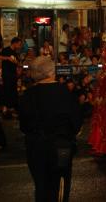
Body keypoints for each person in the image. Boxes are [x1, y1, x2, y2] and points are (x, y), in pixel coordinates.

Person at [19, 56, 83, 202]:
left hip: (35, 146)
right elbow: (76, 121)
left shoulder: (28, 95)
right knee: (59, 185)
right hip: (60, 146)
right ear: (51, 72)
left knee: (41, 185)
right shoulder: (64, 92)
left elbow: (24, 125)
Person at [0, 37, 22, 116]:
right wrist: (7, 58)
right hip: (7, 74)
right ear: (14, 43)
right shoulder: (6, 50)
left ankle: (12, 108)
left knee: (13, 91)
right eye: (19, 44)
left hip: (13, 74)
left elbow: (17, 62)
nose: (19, 46)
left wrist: (18, 64)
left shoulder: (15, 52)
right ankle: (5, 108)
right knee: (7, 90)